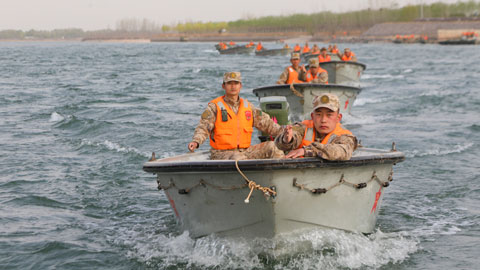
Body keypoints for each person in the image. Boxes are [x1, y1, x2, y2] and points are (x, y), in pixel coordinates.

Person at [188, 72, 285, 160]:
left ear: (240, 86)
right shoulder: (214, 107)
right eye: (229, 83)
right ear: (223, 86)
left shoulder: (248, 107)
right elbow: (203, 127)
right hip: (221, 154)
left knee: (274, 147)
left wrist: (286, 134)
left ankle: (278, 177)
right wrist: (196, 141)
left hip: (245, 151)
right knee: (238, 157)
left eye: (236, 83)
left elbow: (267, 123)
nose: (233, 86)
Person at [275, 93, 357, 160]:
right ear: (312, 116)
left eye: (329, 115)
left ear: (338, 118)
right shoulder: (303, 127)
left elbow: (342, 151)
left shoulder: (345, 135)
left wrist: (309, 151)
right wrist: (287, 140)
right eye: (318, 114)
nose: (323, 120)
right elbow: (295, 134)